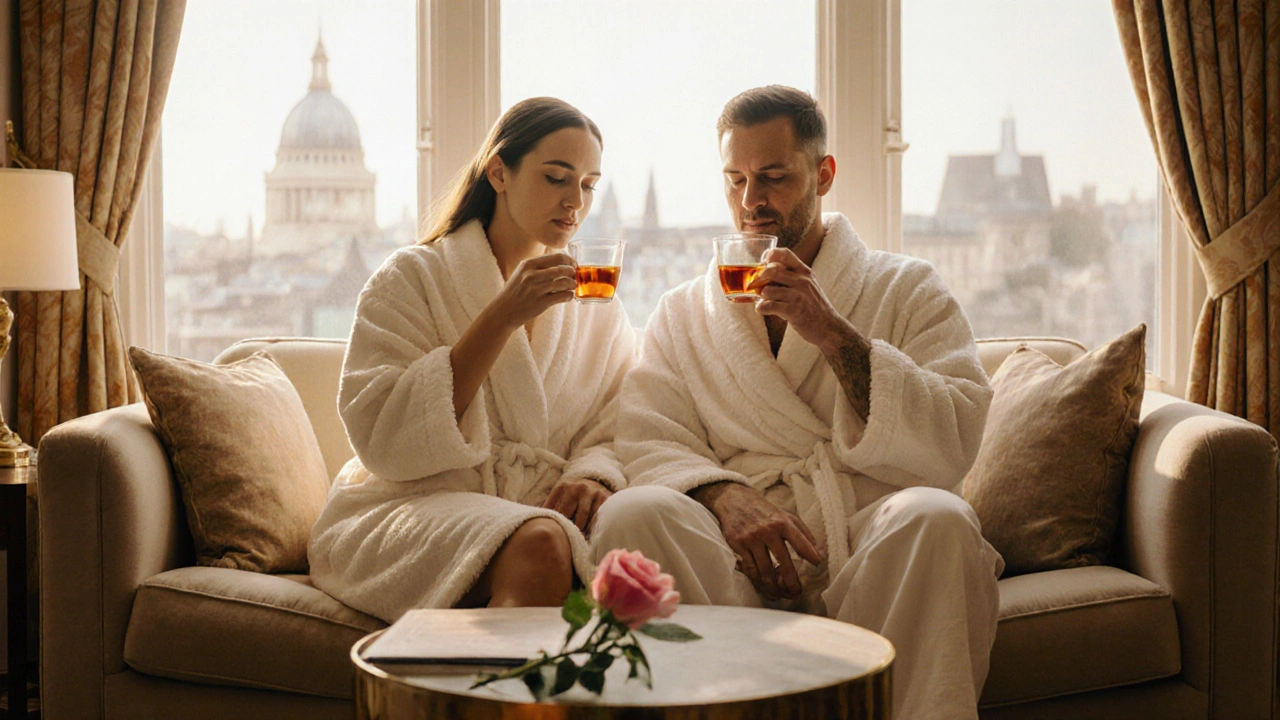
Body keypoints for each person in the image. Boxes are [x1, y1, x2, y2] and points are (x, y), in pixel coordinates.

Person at [590, 86, 1003, 720]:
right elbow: (648, 435)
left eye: (773, 177)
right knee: (632, 513)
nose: (750, 201)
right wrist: (723, 496)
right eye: (735, 180)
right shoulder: (683, 312)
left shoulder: (907, 287)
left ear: (823, 174)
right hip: (736, 555)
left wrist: (832, 333)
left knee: (938, 518)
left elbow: (956, 435)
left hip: (865, 536)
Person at [309, 98, 635, 622]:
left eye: (589, 185)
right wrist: (500, 317)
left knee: (638, 532)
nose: (575, 201)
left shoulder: (596, 304)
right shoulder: (411, 278)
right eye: (556, 177)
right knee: (541, 542)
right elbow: (384, 441)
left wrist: (594, 474)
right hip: (408, 509)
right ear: (499, 172)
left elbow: (618, 420)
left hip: (537, 509)